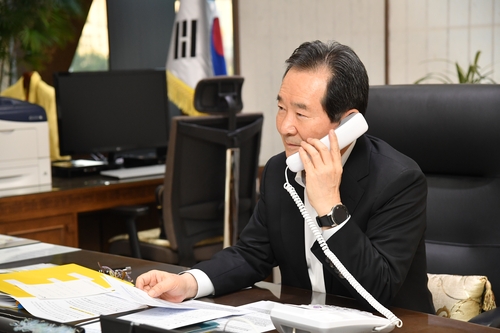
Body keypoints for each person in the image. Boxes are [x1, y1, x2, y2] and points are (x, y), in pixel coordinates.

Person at [136, 40, 435, 314]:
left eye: (301, 114)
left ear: (348, 123)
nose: (285, 127)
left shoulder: (399, 181)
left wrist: (330, 208)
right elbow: (251, 254)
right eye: (281, 108)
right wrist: (189, 283)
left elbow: (378, 289)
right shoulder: (281, 170)